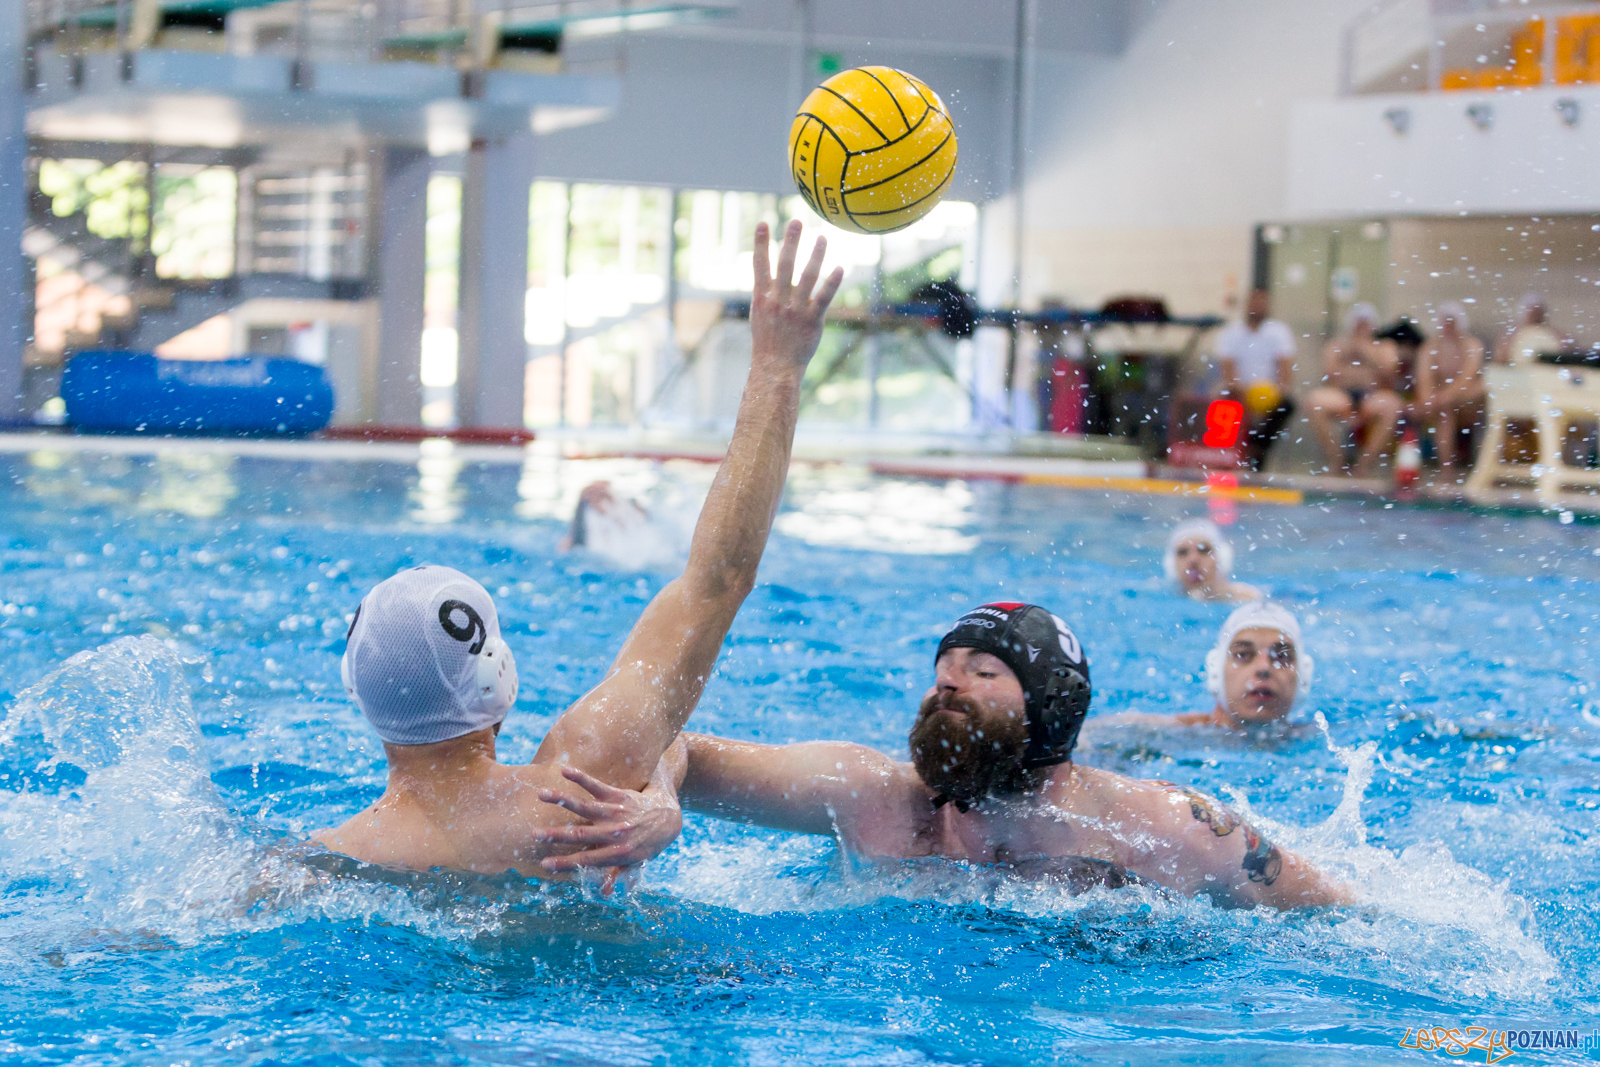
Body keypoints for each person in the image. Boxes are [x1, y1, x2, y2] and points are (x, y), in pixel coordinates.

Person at [313, 221, 844, 882]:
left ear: (359, 690)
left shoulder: (324, 860)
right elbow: (719, 579)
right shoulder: (584, 797)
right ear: (496, 676)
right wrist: (776, 365)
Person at [538, 603, 1352, 909]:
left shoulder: (1165, 828)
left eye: (982, 673)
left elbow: (1349, 919)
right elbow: (671, 740)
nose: (947, 688)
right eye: (941, 676)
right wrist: (664, 798)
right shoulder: (873, 797)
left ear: (1053, 709)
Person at [1112, 601, 1313, 730]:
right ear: (1216, 671)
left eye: (1282, 656)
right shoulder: (1166, 733)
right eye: (1243, 654)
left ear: (1303, 677)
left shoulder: (1317, 738)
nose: (1264, 668)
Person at [1306, 303, 1403, 477]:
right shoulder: (1338, 345)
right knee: (1314, 402)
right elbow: (1331, 374)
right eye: (1358, 324)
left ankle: (1365, 463)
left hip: (1372, 396)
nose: (1361, 329)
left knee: (1392, 406)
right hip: (1344, 396)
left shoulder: (1385, 346)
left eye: (1365, 324)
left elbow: (1389, 372)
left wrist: (1364, 351)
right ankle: (1337, 459)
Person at [1212, 289, 1298, 471]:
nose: (1257, 306)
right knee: (1222, 400)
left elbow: (1285, 374)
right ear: (1247, 304)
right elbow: (1228, 373)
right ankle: (1224, 456)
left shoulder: (1279, 332)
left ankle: (1257, 448)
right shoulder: (1231, 332)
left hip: (1270, 394)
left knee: (1288, 405)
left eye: (1262, 302)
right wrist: (1244, 392)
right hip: (1239, 391)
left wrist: (1274, 392)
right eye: (1254, 302)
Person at [1416, 303, 1486, 474]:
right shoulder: (1431, 347)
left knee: (1481, 387)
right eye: (1445, 322)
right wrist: (1428, 400)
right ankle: (1446, 470)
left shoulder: (1472, 346)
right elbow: (1424, 378)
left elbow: (1467, 377)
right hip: (1442, 404)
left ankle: (1475, 466)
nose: (1448, 326)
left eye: (1451, 322)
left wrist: (1446, 396)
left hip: (1469, 402)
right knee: (1444, 412)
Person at [1164, 518, 1260, 603]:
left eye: (1203, 550)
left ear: (1221, 559)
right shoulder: (1163, 595)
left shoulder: (1246, 598)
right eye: (1183, 552)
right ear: (1171, 564)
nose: (1193, 560)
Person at [1494, 292, 1571, 367]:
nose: (1535, 317)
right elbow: (1500, 359)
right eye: (1532, 313)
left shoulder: (1555, 335)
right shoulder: (1512, 336)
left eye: (1538, 313)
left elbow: (1568, 353)